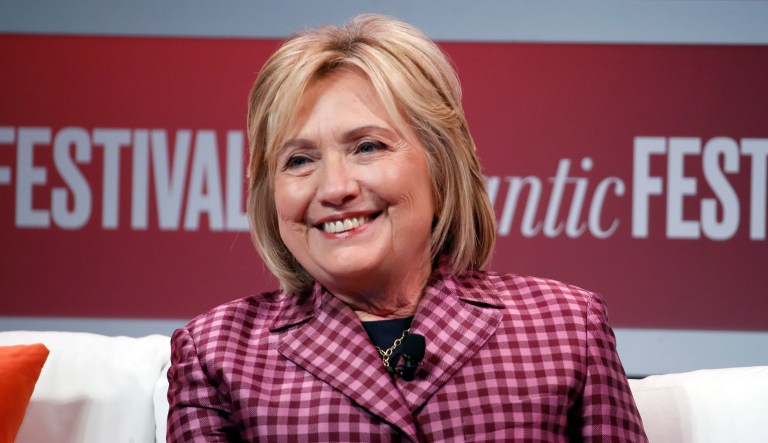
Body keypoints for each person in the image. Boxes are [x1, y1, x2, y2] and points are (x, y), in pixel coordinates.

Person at [167, 14, 647, 442]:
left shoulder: (564, 328)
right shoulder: (216, 354)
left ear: (440, 165)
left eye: (368, 147)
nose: (335, 187)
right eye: (299, 159)